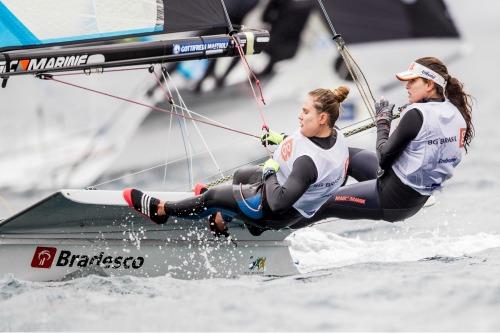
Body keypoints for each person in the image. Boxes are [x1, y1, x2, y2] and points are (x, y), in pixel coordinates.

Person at [123, 86, 351, 235]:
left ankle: (161, 210)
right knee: (241, 176)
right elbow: (307, 149)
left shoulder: (307, 164)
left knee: (211, 197)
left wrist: (270, 171)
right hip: (294, 201)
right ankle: (221, 221)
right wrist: (280, 140)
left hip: (274, 211)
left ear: (322, 118)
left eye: (305, 112)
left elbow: (278, 201)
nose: (300, 116)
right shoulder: (334, 135)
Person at [291, 56, 474, 228]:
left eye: (412, 81)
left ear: (429, 84)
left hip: (392, 199)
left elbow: (384, 158)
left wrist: (383, 122)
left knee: (325, 202)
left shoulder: (417, 114)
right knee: (344, 155)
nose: (407, 86)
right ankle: (305, 190)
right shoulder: (455, 111)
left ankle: (276, 227)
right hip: (414, 194)